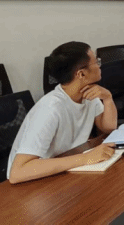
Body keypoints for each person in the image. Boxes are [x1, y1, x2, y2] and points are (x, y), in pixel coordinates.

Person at [8, 42, 117, 184]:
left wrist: (108, 98)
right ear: (81, 73)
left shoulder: (88, 93)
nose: (99, 65)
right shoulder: (50, 108)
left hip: (66, 167)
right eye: (96, 62)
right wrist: (85, 158)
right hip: (34, 181)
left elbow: (108, 127)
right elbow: (17, 172)